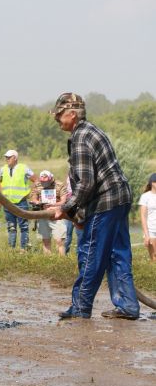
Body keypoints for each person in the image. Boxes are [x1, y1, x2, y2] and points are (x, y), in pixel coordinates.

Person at [50, 93, 139, 321]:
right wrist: (75, 211)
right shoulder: (92, 130)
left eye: (59, 115)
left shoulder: (80, 137)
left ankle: (80, 307)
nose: (57, 120)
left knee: (92, 253)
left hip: (105, 201)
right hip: (120, 197)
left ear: (72, 113)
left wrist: (65, 207)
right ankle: (128, 305)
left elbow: (87, 183)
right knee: (117, 253)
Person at [0, 149, 35, 251]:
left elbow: (36, 180)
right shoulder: (2, 169)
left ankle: (24, 249)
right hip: (7, 203)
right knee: (11, 227)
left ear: (15, 158)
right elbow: (0, 184)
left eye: (9, 157)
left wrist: (31, 194)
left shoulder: (24, 168)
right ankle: (11, 249)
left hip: (21, 202)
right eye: (6, 157)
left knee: (23, 227)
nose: (7, 159)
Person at [29, 170, 68, 255]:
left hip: (57, 215)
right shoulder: (37, 185)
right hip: (43, 214)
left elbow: (64, 201)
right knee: (45, 240)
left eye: (46, 181)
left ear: (51, 179)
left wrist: (53, 204)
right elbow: (33, 197)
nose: (44, 183)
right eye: (42, 181)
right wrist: (37, 202)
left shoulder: (59, 185)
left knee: (59, 240)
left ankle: (62, 261)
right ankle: (48, 260)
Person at [139, 173, 156, 262]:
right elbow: (143, 216)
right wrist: (146, 235)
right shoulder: (145, 197)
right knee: (154, 258)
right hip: (152, 231)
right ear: (151, 183)